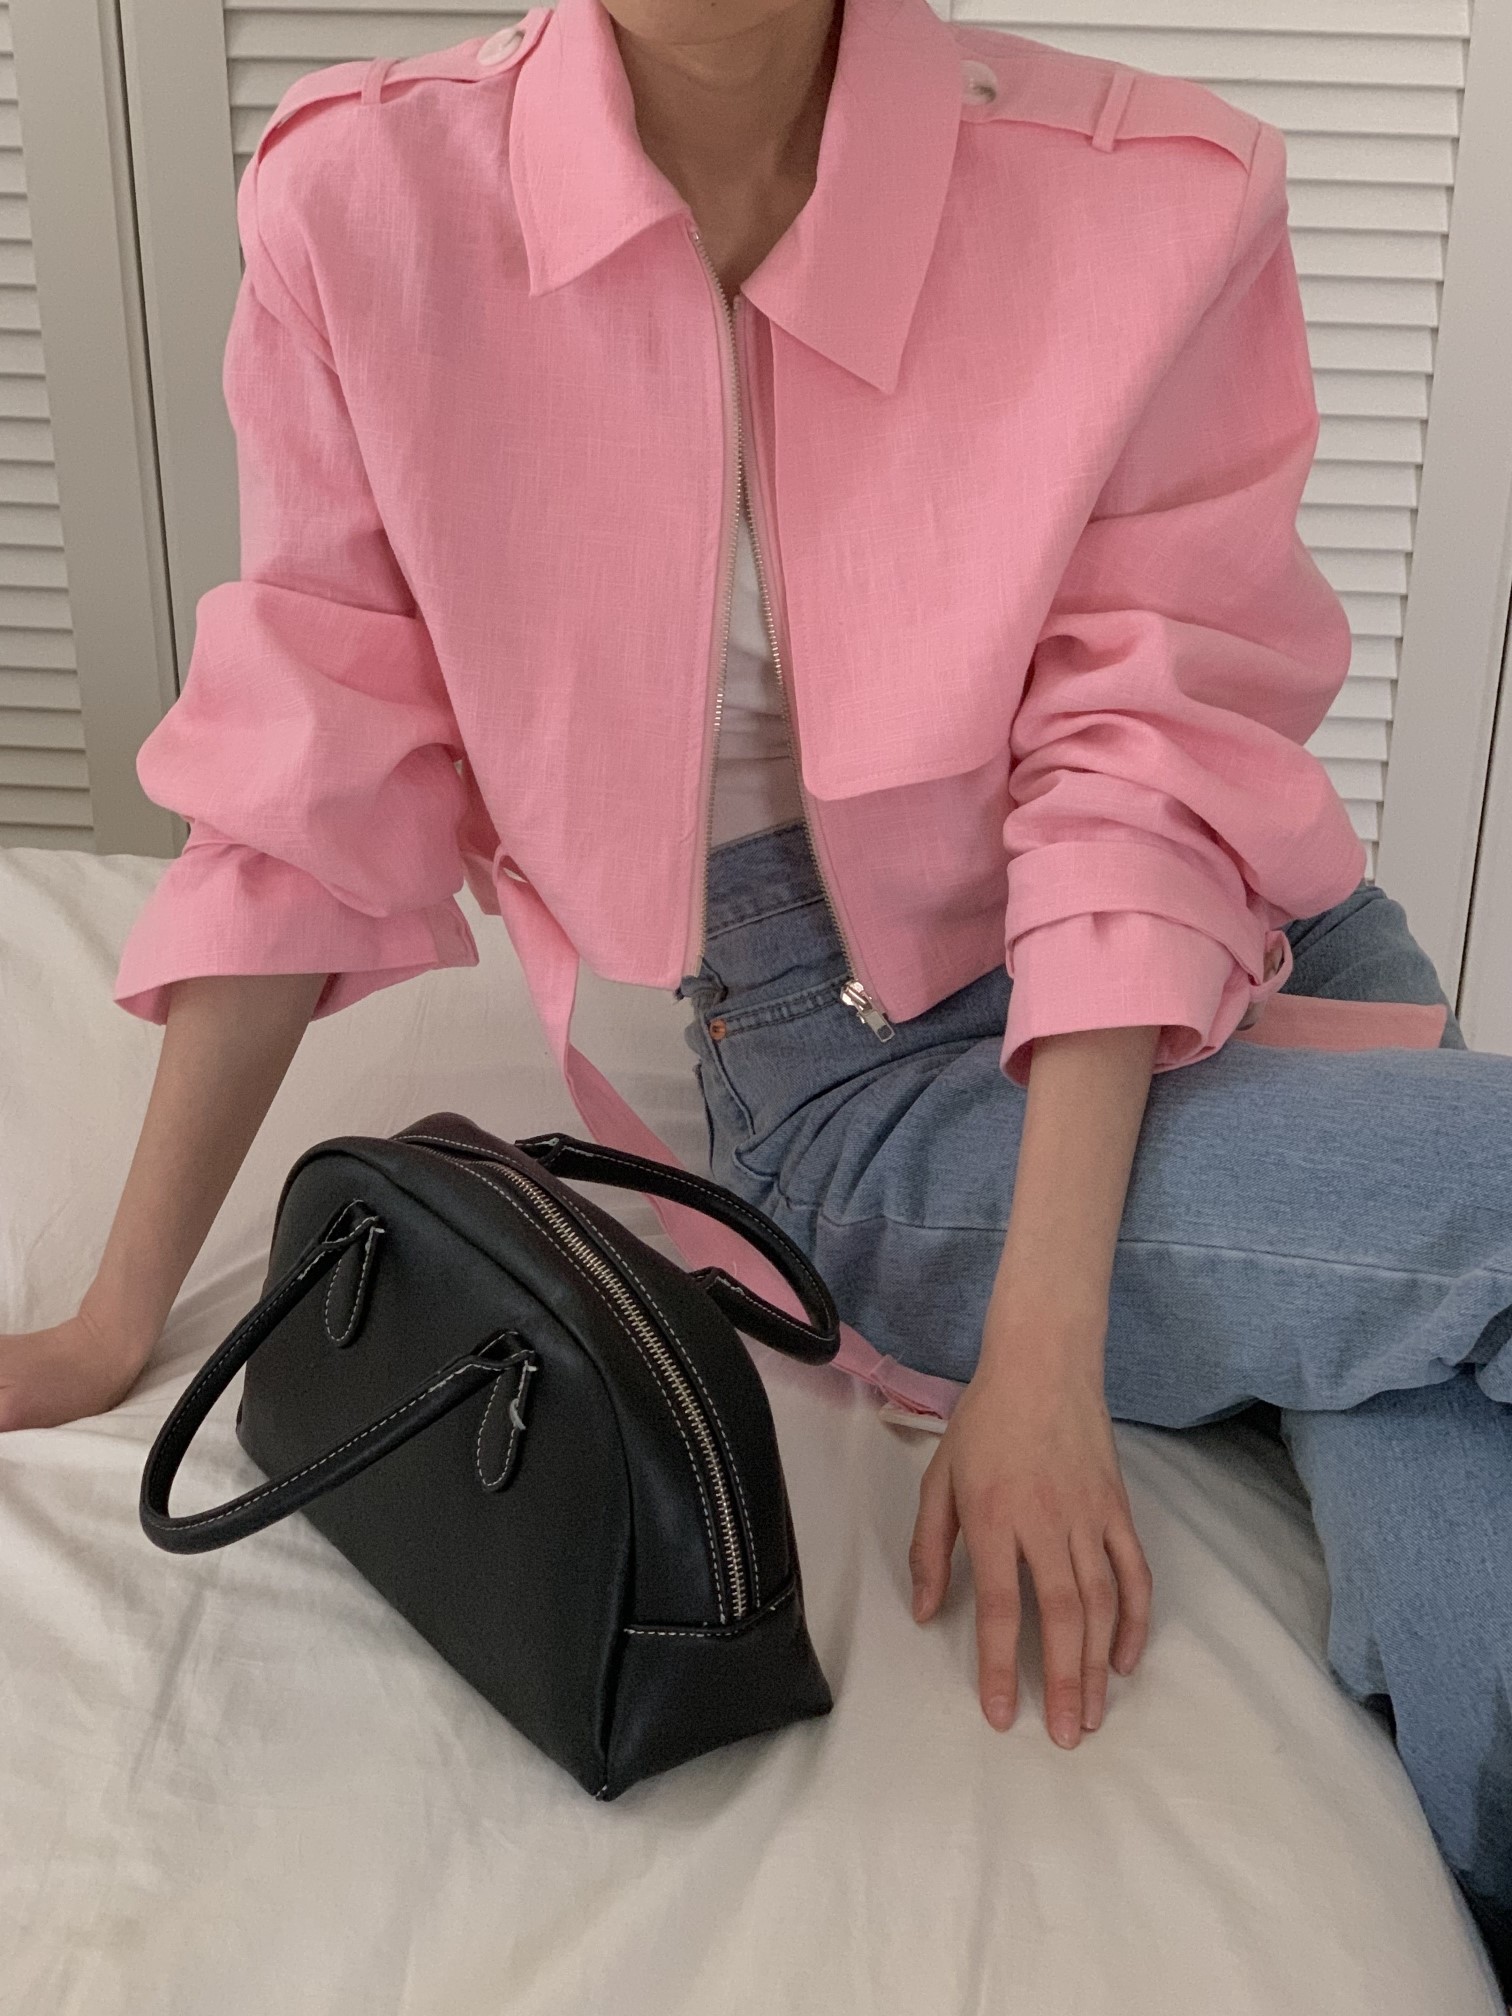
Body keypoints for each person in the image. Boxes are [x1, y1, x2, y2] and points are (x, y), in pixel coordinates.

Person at [1, 0, 1508, 1992]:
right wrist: (118, 1315)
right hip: (862, 1074)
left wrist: (1043, 1354)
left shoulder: (1153, 192)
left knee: (1469, 1562)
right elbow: (308, 779)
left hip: (1262, 926)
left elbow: (1144, 769)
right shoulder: (366, 206)